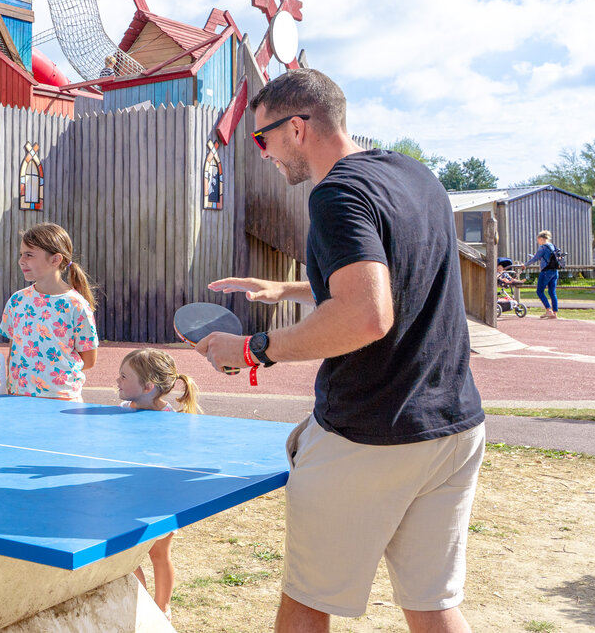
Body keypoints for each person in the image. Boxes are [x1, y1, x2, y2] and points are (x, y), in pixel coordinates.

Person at [196, 68, 485, 633]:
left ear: (297, 128)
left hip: (371, 433)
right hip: (454, 427)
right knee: (432, 603)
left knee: (307, 600)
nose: (262, 154)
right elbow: (395, 276)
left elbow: (366, 315)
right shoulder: (412, 174)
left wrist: (254, 349)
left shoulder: (335, 195)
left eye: (263, 139)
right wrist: (290, 289)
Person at [116, 348, 201, 620]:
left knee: (159, 555)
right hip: (129, 500)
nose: (117, 380)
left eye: (123, 376)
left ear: (148, 386)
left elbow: (177, 466)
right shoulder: (120, 411)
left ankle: (163, 609)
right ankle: (145, 609)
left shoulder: (171, 421)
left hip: (160, 501)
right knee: (127, 560)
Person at [0, 222, 98, 400]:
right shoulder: (17, 301)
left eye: (29, 255)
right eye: (21, 254)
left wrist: (51, 377)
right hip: (19, 399)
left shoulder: (76, 305)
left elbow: (89, 360)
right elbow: (14, 351)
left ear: (55, 259)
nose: (21, 261)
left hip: (61, 401)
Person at [524, 231, 560, 319]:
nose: (538, 242)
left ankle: (548, 310)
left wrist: (525, 265)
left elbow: (535, 259)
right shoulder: (553, 246)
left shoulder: (542, 247)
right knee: (552, 292)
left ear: (541, 239)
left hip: (546, 272)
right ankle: (555, 313)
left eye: (538, 240)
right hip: (555, 271)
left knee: (539, 291)